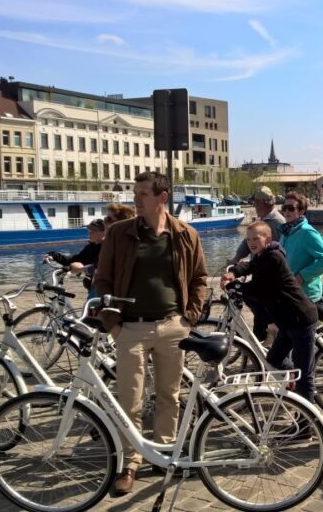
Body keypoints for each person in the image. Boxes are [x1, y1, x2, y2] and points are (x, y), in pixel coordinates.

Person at [95, 171, 207, 494]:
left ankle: (162, 453)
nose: (136, 198)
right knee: (129, 400)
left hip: (173, 326)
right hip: (129, 326)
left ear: (162, 197)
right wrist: (112, 324)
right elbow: (101, 281)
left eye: (143, 193)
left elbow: (200, 277)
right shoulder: (119, 233)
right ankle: (130, 462)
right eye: (135, 192)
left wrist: (190, 317)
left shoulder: (184, 234)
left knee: (169, 396)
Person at [221, 221, 318, 403]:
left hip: (300, 318)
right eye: (248, 239)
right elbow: (250, 265)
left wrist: (234, 285)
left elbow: (259, 288)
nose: (251, 242)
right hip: (286, 320)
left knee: (304, 374)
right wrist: (233, 271)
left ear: (268, 238)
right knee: (274, 359)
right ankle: (292, 380)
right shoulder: (262, 255)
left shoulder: (274, 257)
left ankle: (307, 425)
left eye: (256, 238)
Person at [229, 186, 285, 343]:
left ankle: (266, 343)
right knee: (258, 310)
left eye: (255, 202)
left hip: (270, 276)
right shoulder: (263, 219)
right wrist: (236, 259)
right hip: (260, 270)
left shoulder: (276, 222)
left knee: (262, 311)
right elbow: (246, 243)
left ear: (263, 202)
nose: (254, 205)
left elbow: (280, 252)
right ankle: (264, 343)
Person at [279, 192, 323, 303]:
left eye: (291, 208)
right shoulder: (286, 231)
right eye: (284, 208)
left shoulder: (307, 232)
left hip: (306, 296)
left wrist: (301, 277)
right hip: (289, 293)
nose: (286, 212)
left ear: (301, 211)